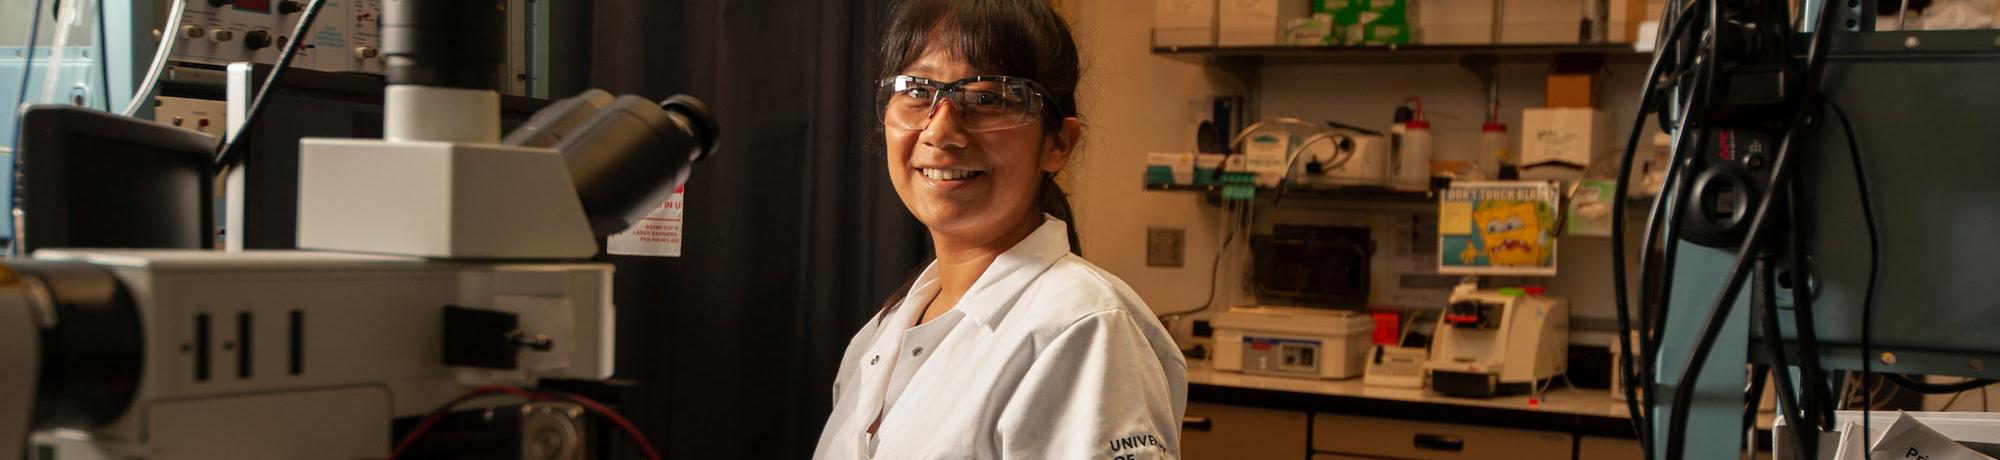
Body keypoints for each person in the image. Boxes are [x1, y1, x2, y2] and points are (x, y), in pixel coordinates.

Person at [813, 0, 1187, 458]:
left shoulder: (1085, 329)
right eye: (917, 90)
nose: (940, 131)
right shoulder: (882, 334)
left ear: (1059, 144)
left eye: (987, 98)